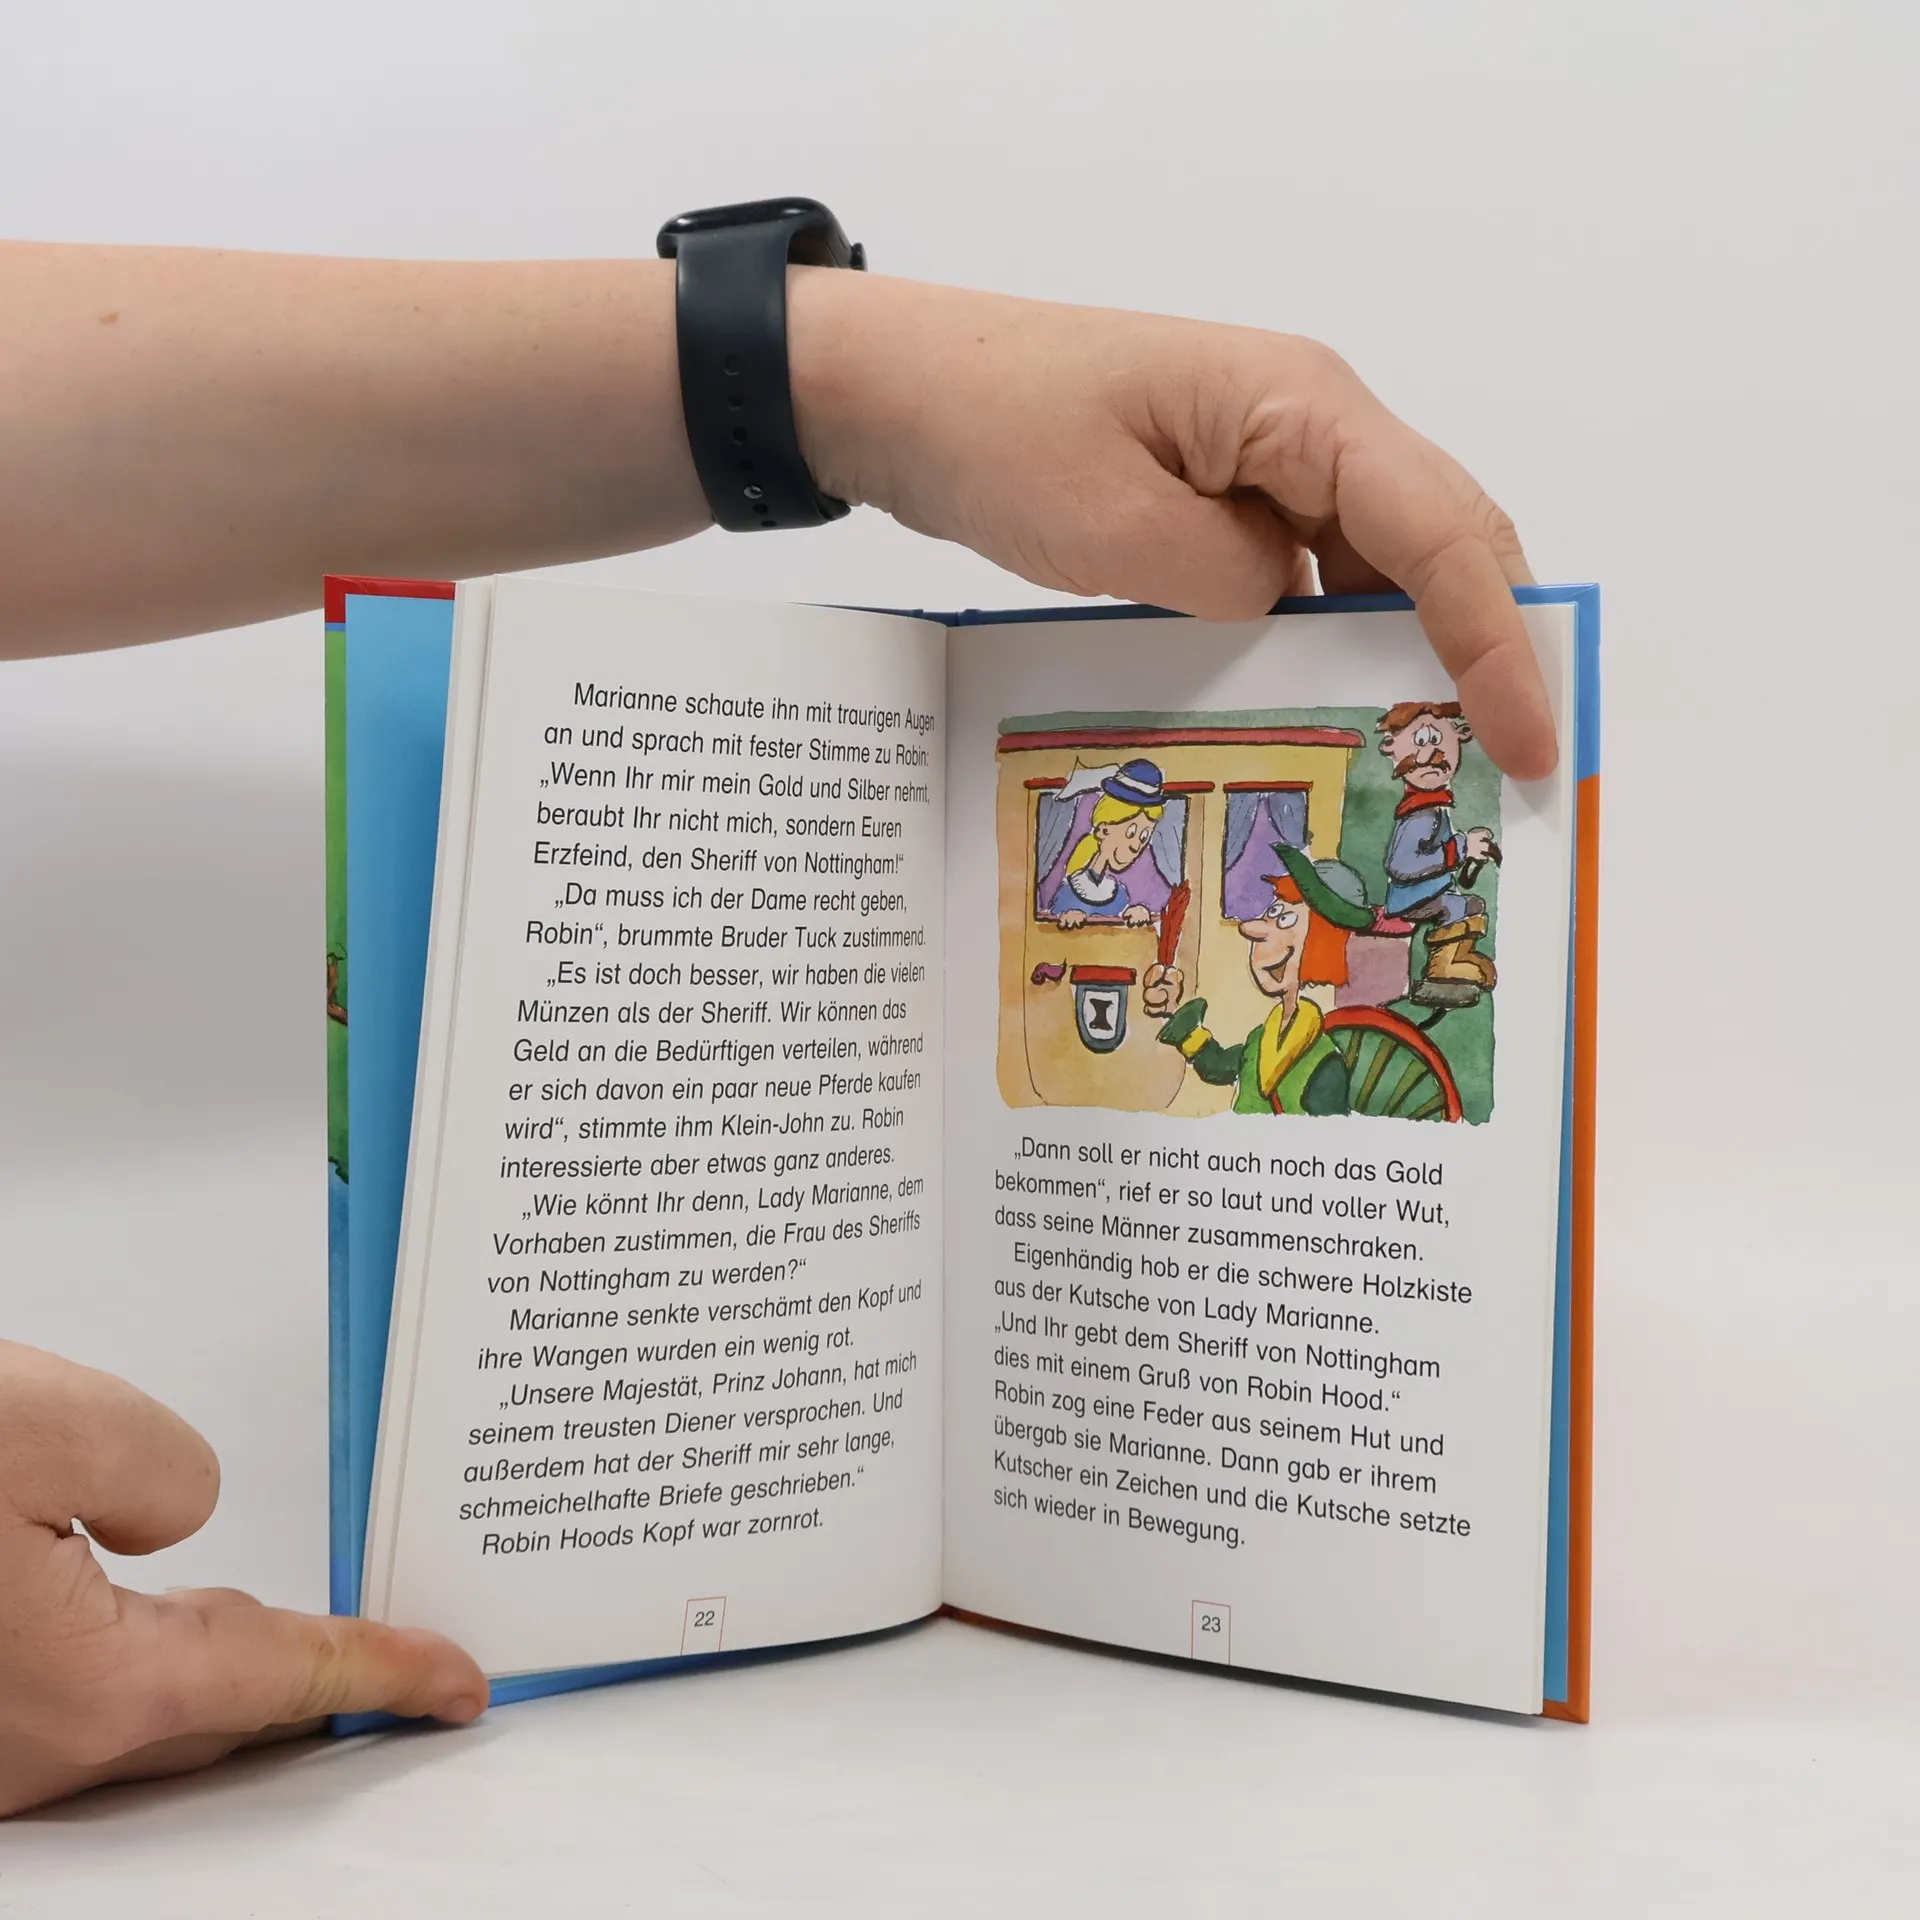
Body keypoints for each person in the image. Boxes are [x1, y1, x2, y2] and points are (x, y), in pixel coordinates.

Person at [0, 235, 1552, 1816]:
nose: (1271, 933)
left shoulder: (1345, 1036)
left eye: (1285, 918)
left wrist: (846, 378)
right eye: (1264, 914)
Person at [1142, 847, 1356, 1114]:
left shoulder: (1325, 1063)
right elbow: (1217, 1066)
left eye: (1286, 919)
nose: (1253, 930)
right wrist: (1173, 1010)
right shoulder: (1260, 1039)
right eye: (1273, 912)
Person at [1375, 699, 1501, 995]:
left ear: (1460, 737)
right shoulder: (1419, 813)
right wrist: (1461, 848)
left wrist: (1470, 849)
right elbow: (1401, 865)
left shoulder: (1434, 806)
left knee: (1472, 905)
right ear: (1391, 748)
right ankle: (1442, 970)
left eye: (1437, 739)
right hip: (1412, 898)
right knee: (1458, 907)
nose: (1428, 754)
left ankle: (1456, 959)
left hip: (1432, 891)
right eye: (1419, 741)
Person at [1048, 760, 1168, 927]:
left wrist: (1138, 913)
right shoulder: (1067, 891)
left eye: (1143, 838)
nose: (1136, 847)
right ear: (1103, 830)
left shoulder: (1120, 895)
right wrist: (1067, 917)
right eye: (1130, 833)